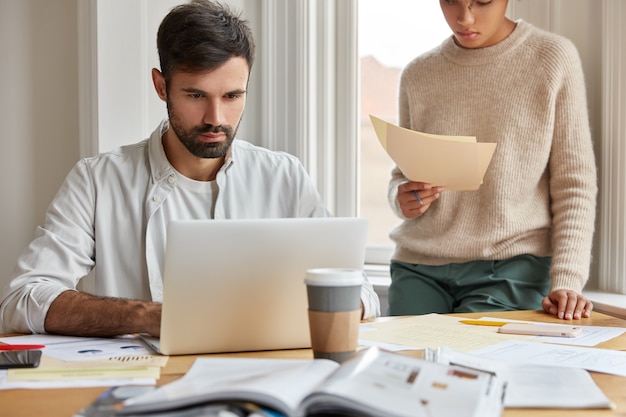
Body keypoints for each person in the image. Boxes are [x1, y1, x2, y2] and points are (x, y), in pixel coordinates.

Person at [0, 0, 379, 336]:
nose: (216, 118)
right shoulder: (97, 180)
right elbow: (22, 299)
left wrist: (301, 311)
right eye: (196, 95)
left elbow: (361, 291)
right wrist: (146, 316)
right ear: (161, 86)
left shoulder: (284, 177)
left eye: (232, 96)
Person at [387, 0, 596, 321]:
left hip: (512, 267)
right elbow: (402, 175)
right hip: (419, 266)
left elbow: (574, 184)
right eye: (451, 1)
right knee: (405, 366)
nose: (464, 17)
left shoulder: (551, 58)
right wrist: (403, 197)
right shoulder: (419, 74)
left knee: (474, 365)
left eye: (481, 2)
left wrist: (568, 279)